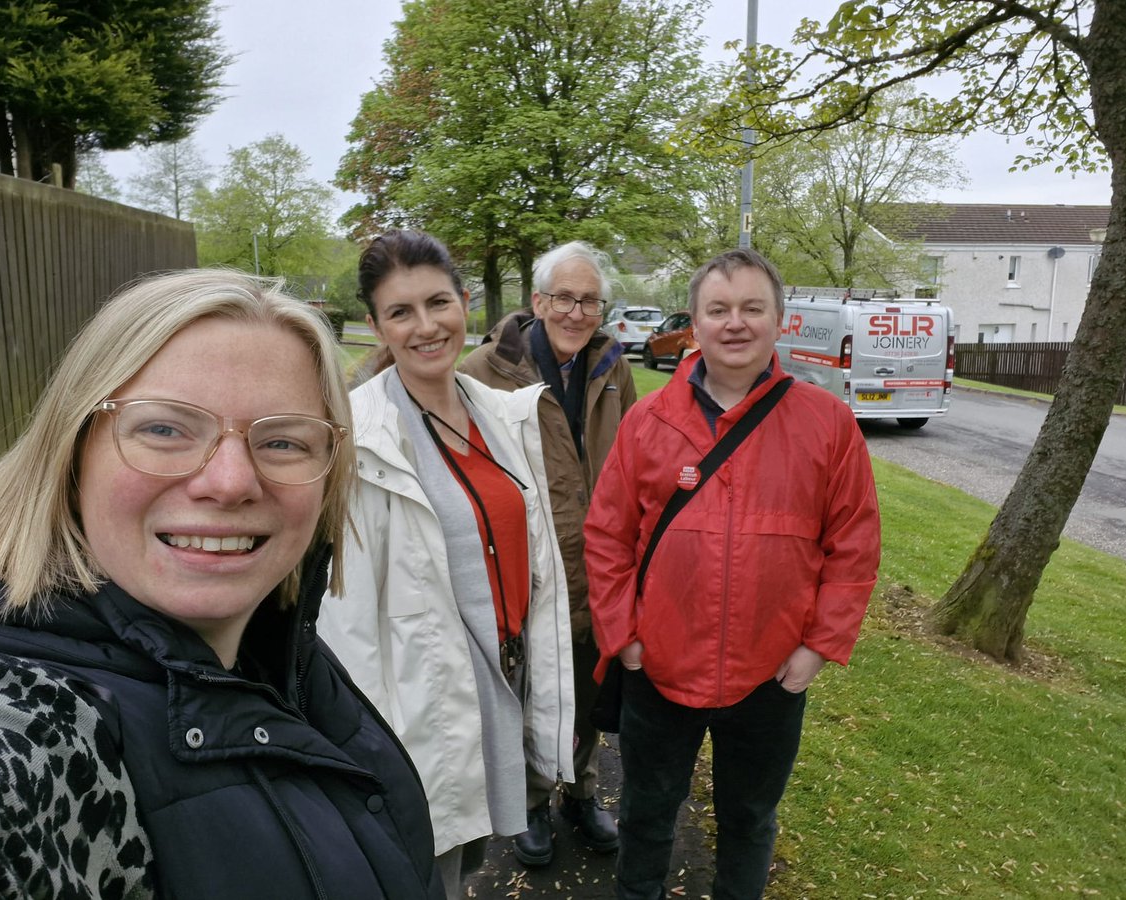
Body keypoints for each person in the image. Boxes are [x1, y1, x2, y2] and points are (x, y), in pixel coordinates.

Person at [0, 270, 443, 899]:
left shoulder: (281, 656)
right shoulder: (23, 723)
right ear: (71, 452)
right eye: (164, 429)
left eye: (283, 440)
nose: (231, 481)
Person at [584, 248, 881, 900]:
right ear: (695, 323)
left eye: (753, 308)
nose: (736, 323)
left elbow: (854, 544)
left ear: (780, 321)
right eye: (719, 309)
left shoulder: (825, 422)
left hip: (770, 675)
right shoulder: (649, 421)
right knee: (646, 814)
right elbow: (606, 536)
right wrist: (624, 636)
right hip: (658, 668)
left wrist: (818, 647)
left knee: (749, 819)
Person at [317, 230, 574, 899]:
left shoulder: (501, 415)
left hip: (504, 682)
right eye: (400, 312)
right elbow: (344, 623)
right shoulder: (358, 436)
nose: (426, 326)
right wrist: (368, 756)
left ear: (467, 302)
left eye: (438, 303)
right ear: (374, 325)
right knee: (422, 873)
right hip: (424, 704)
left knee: (469, 863)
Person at [459, 240, 635, 865]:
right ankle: (532, 800)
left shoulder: (613, 365)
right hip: (526, 562)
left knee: (588, 681)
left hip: (598, 560)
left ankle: (580, 791)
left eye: (590, 300)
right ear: (537, 302)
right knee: (530, 683)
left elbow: (632, 458)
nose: (577, 312)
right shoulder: (485, 369)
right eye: (564, 298)